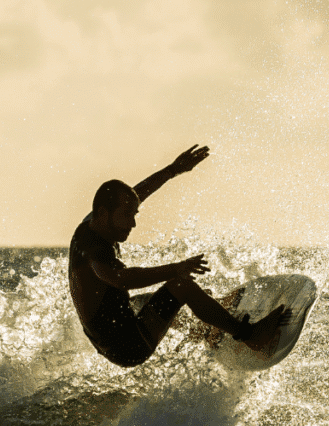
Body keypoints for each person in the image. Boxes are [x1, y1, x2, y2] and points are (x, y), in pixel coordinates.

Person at [68, 144, 287, 367]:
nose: (133, 223)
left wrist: (173, 170)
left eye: (134, 214)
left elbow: (138, 193)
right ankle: (250, 335)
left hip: (112, 337)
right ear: (104, 213)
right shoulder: (93, 250)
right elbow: (121, 279)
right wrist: (176, 268)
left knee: (140, 302)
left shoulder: (94, 223)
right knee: (181, 286)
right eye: (127, 215)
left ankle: (207, 329)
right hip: (128, 346)